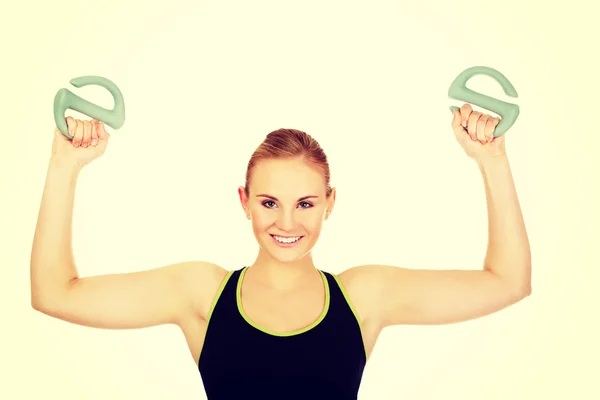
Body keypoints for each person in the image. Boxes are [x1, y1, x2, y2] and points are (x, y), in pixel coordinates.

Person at [30, 103, 531, 399]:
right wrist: (64, 165)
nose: (287, 223)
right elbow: (55, 294)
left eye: (306, 203)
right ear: (244, 202)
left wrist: (492, 159)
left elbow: (508, 282)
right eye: (269, 202)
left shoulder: (364, 297)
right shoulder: (200, 292)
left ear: (330, 203)